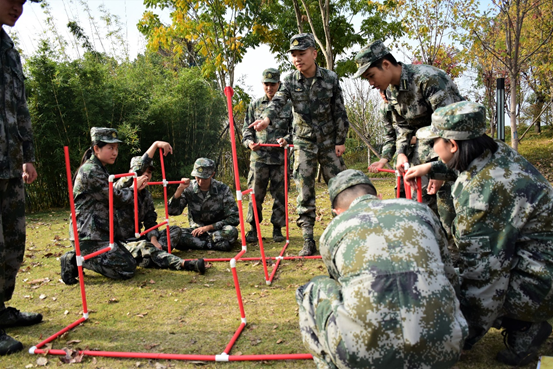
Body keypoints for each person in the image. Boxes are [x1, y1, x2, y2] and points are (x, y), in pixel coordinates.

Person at [405, 101, 553, 366]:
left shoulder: (483, 195)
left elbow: (484, 279)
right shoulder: (495, 152)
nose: (431, 150)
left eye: (434, 143)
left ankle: (526, 327)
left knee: (463, 281)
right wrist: (431, 168)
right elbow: (461, 165)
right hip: (540, 257)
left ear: (452, 145)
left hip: (544, 279)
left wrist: (462, 337)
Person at [296, 169, 467, 368]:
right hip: (445, 348)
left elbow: (339, 286)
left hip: (365, 357)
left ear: (337, 212)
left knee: (312, 290)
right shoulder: (420, 211)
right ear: (378, 197)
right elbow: (449, 275)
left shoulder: (332, 231)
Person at [60, 130, 204, 286]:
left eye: (116, 148)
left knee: (134, 260)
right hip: (89, 236)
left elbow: (150, 216)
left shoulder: (100, 169)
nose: (114, 153)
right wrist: (134, 189)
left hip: (106, 236)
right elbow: (117, 197)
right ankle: (77, 259)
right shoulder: (90, 171)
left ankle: (148, 256)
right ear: (96, 149)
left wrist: (155, 146)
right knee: (126, 269)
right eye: (110, 148)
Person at [250, 33, 349, 256]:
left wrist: (341, 140)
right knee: (304, 189)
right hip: (304, 142)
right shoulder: (290, 80)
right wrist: (266, 119)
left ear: (314, 53)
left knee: (339, 186)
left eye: (302, 54)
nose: (297, 59)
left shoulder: (331, 78)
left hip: (328, 142)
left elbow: (339, 111)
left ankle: (342, 234)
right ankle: (307, 238)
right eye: (294, 55)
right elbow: (278, 102)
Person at [355, 40, 461, 229]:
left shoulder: (429, 79)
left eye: (371, 76)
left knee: (449, 215)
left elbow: (451, 127)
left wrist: (440, 170)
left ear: (386, 64)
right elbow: (402, 126)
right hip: (422, 154)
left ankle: (454, 256)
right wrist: (401, 152)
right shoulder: (391, 91)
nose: (371, 83)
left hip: (452, 153)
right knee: (420, 211)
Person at [0, 0, 43, 356]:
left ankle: (0, 310)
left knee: (13, 244)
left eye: (23, 2)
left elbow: (21, 108)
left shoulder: (9, 50)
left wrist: (27, 156)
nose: (18, 8)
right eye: (12, 0)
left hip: (10, 164)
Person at [114, 154, 205, 274]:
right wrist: (156, 145)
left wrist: (153, 239)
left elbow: (150, 220)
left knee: (174, 230)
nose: (146, 175)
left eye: (149, 172)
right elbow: (123, 185)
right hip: (121, 243)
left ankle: (151, 257)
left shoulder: (146, 196)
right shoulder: (119, 190)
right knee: (144, 246)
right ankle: (183, 264)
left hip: (140, 237)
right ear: (131, 172)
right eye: (142, 172)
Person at [242, 68, 292, 244]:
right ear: (262, 84)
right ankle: (253, 229)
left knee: (280, 195)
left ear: (279, 84)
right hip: (259, 159)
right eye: (266, 84)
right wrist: (249, 143)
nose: (269, 88)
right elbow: (246, 131)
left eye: (273, 84)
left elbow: (296, 131)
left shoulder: (288, 106)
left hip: (280, 159)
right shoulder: (254, 105)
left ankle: (277, 229)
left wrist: (286, 140)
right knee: (255, 194)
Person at [167, 158, 239, 251]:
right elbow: (172, 211)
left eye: (204, 178)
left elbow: (234, 218)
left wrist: (208, 227)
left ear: (212, 174)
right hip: (195, 232)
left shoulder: (223, 189)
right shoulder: (189, 189)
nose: (200, 181)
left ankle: (196, 243)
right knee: (173, 233)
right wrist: (179, 190)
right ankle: (213, 245)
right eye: (198, 177)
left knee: (231, 231)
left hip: (217, 230)